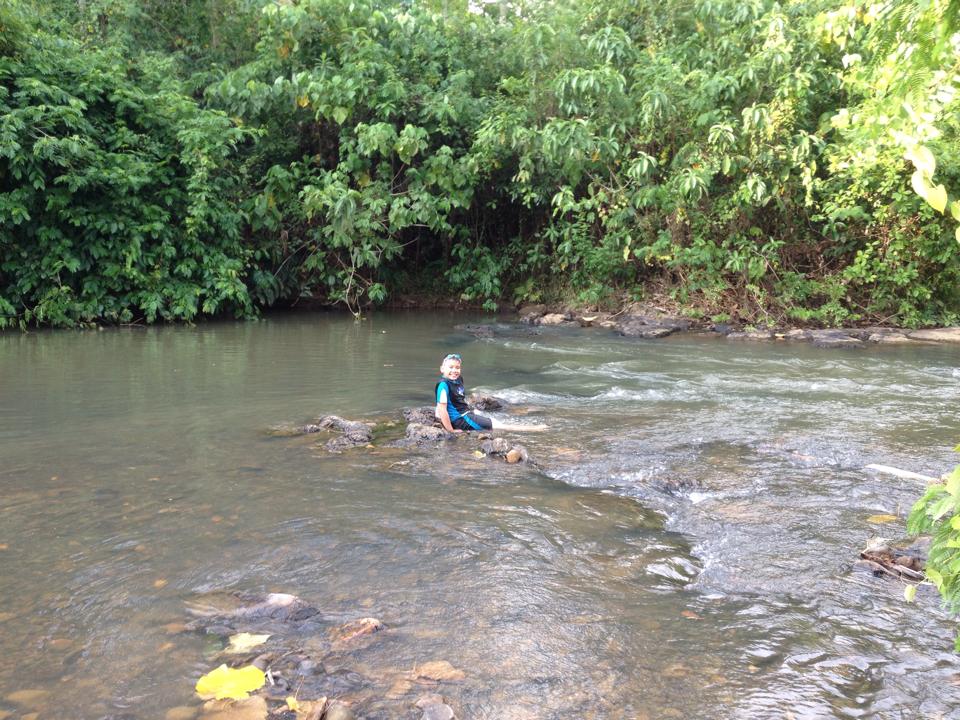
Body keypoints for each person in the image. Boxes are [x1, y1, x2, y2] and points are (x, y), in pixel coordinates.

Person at [434, 353, 546, 433]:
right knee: (498, 425)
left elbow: (454, 401)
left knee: (488, 417)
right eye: (451, 367)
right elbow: (442, 409)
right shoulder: (443, 385)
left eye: (457, 367)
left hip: (465, 414)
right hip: (461, 419)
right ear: (442, 369)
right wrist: (450, 430)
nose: (454, 370)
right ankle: (535, 429)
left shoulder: (458, 379)